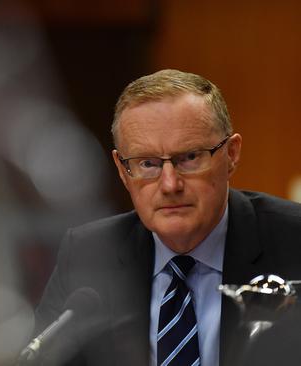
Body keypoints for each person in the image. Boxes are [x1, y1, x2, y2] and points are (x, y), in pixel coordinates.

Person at [34, 69, 301, 366]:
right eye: (147, 163)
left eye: (189, 158)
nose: (170, 184)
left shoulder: (293, 240)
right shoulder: (90, 254)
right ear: (123, 171)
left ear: (232, 154)